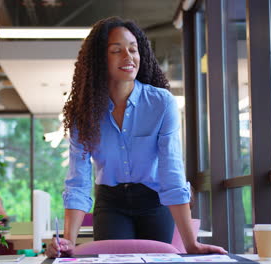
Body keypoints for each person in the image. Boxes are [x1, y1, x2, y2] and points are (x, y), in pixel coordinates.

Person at [46, 16, 227, 258]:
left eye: (133, 49)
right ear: (100, 59)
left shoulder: (161, 103)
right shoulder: (84, 114)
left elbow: (171, 172)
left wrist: (191, 245)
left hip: (154, 200)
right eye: (116, 50)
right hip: (111, 203)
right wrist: (67, 241)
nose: (128, 57)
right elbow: (78, 182)